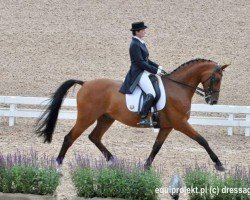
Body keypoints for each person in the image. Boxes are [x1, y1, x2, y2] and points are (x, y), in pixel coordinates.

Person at [119, 21, 166, 127]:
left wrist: (158, 67)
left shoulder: (140, 42)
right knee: (151, 93)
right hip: (138, 73)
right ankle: (143, 118)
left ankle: (154, 114)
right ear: (137, 32)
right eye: (143, 30)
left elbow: (146, 60)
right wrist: (155, 71)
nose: (145, 31)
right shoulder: (134, 44)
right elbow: (140, 63)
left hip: (143, 71)